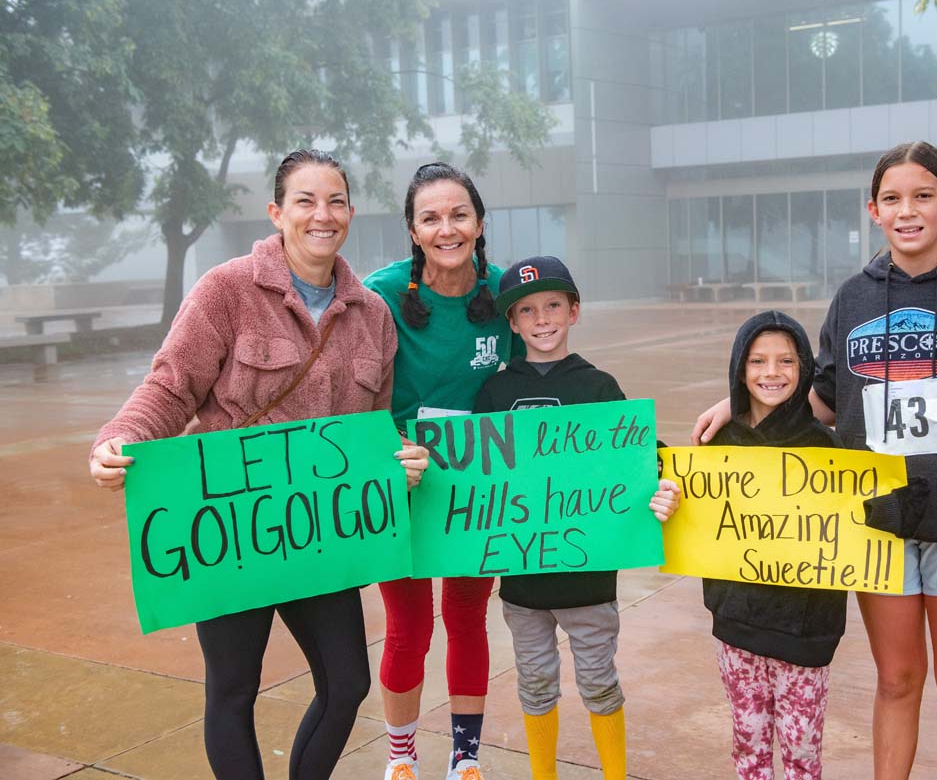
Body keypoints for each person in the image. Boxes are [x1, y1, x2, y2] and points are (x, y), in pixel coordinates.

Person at [692, 142, 937, 780]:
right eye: (892, 199)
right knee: (897, 681)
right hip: (875, 527)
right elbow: (824, 396)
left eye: (922, 196)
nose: (907, 210)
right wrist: (739, 401)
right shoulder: (854, 299)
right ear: (873, 211)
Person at [88, 149, 430, 780]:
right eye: (305, 201)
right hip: (233, 529)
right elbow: (170, 387)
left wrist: (396, 465)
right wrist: (119, 437)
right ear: (277, 212)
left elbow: (374, 427)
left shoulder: (373, 316)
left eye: (334, 201)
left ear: (351, 213)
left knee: (347, 681)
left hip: (321, 534)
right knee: (234, 690)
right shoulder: (226, 291)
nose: (321, 215)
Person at [474, 255, 681, 780]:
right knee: (535, 682)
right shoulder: (495, 393)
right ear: (513, 323)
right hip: (522, 581)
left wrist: (662, 480)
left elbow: (636, 457)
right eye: (527, 310)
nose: (542, 319)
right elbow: (470, 473)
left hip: (588, 579)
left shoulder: (598, 387)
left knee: (598, 681)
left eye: (552, 306)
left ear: (574, 312)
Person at [364, 162, 524, 780]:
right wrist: (389, 449)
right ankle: (401, 756)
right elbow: (351, 391)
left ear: (479, 223)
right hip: (400, 483)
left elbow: (549, 361)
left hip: (474, 491)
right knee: (407, 629)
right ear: (412, 229)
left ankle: (465, 756)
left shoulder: (507, 290)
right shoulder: (378, 294)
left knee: (465, 618)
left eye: (459, 214)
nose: (446, 228)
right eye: (430, 217)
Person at [700, 310, 847, 780]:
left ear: (804, 368)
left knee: (802, 754)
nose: (771, 373)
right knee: (748, 749)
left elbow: (857, 525)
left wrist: (892, 509)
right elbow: (700, 519)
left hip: (806, 632)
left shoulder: (830, 451)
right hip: (738, 627)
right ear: (739, 370)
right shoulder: (717, 443)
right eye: (758, 361)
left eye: (786, 361)